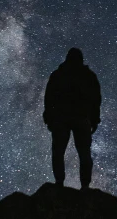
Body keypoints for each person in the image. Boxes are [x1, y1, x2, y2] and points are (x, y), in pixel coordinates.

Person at [43, 48, 101, 188]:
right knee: (84, 153)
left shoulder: (58, 74)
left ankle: (59, 183)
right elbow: (96, 99)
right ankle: (85, 186)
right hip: (81, 117)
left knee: (58, 152)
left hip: (61, 117)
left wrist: (49, 118)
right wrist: (94, 119)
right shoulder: (89, 76)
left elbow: (49, 98)